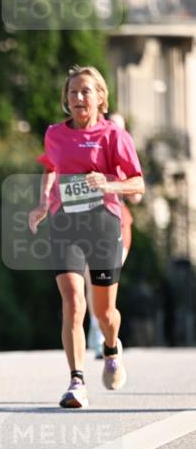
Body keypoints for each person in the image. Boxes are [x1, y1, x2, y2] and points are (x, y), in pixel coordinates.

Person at [28, 66, 145, 409]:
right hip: (66, 225)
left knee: (105, 313)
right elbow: (51, 167)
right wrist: (41, 206)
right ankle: (76, 381)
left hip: (104, 225)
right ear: (65, 98)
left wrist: (108, 184)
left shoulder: (114, 136)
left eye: (86, 92)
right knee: (73, 302)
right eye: (73, 92)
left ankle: (111, 348)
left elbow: (137, 183)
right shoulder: (54, 134)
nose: (79, 98)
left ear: (100, 98)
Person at [85, 111, 143, 358]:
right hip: (88, 223)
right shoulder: (92, 153)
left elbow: (138, 194)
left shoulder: (126, 158)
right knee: (90, 280)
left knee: (106, 280)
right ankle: (97, 334)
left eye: (121, 128)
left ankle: (104, 331)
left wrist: (114, 184)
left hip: (118, 224)